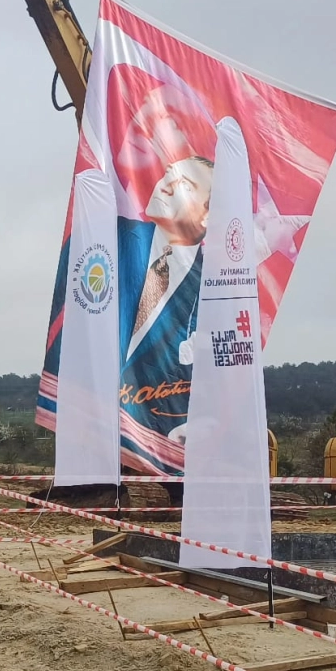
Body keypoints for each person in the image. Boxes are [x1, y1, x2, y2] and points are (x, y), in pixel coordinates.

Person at [117, 155, 214, 473]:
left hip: (166, 427)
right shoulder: (112, 239)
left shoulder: (213, 287)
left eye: (184, 184)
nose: (167, 185)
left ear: (207, 215)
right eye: (169, 174)